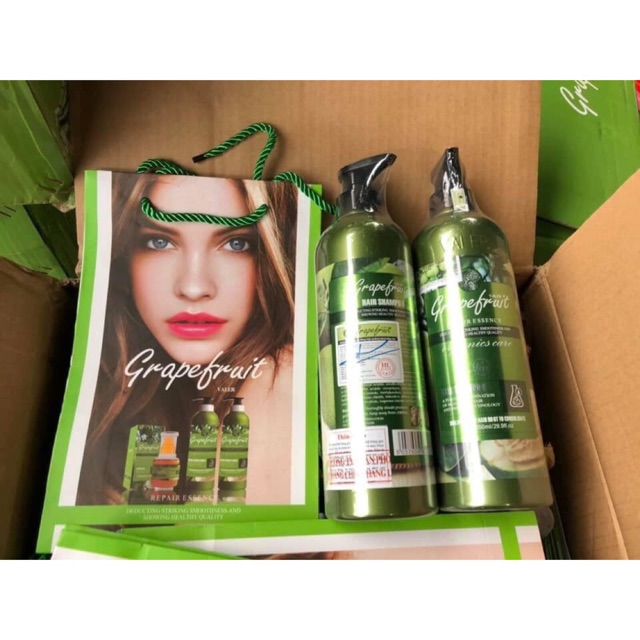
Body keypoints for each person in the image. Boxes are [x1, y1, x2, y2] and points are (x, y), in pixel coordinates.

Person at [77, 172, 299, 506]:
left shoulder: (281, 377)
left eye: (236, 244)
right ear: (124, 255)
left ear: (270, 257)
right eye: (159, 242)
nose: (194, 287)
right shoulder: (116, 394)